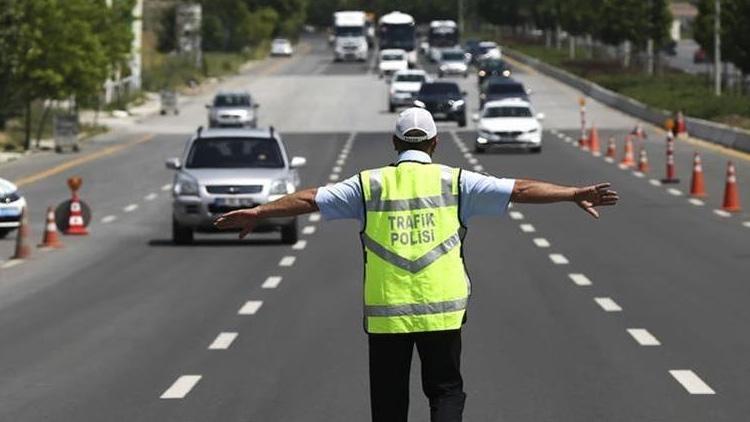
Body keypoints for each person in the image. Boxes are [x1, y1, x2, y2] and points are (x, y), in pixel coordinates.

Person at [214, 107, 619, 422]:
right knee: (445, 392)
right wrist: (571, 193)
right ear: (435, 143)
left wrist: (260, 212)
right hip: (442, 309)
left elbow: (308, 199)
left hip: (387, 313)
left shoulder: (368, 184)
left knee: (389, 401)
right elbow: (521, 189)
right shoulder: (457, 181)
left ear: (394, 142)